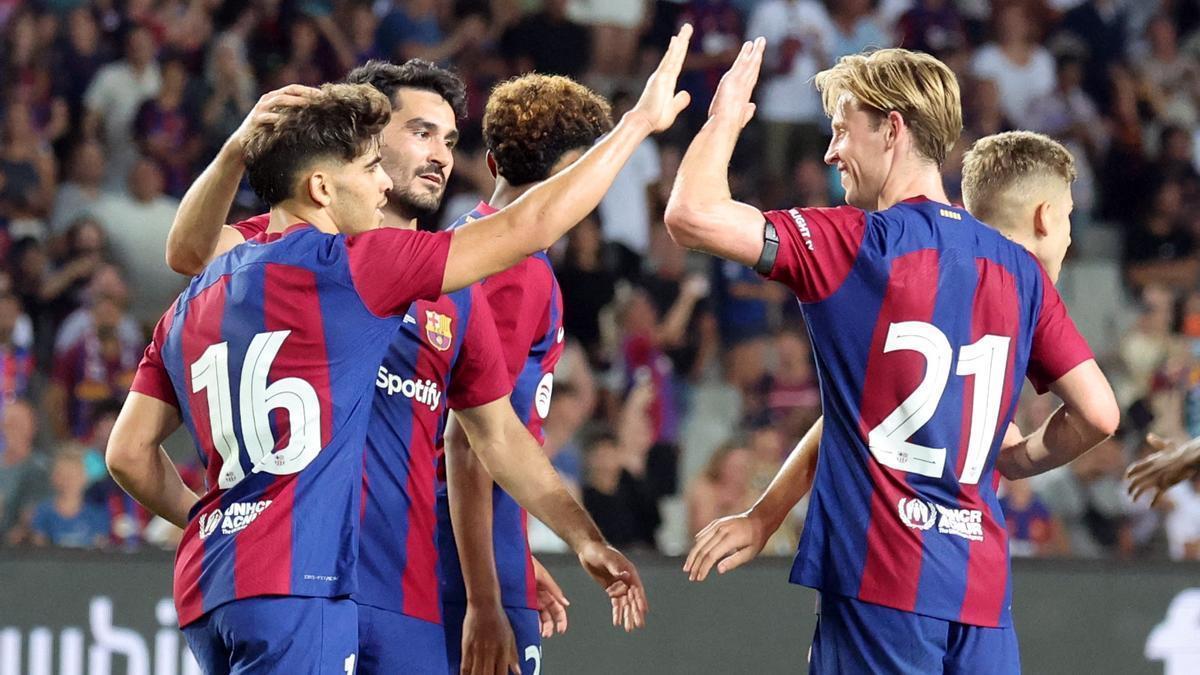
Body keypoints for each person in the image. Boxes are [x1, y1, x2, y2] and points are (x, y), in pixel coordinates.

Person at [113, 25, 695, 674]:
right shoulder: (310, 252)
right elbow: (532, 221)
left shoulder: (435, 286)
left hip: (379, 588)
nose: (442, 155)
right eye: (420, 132)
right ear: (360, 144)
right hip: (305, 580)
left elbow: (492, 435)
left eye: (450, 140)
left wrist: (575, 539)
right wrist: (638, 123)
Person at [666, 42, 1118, 673]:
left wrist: (726, 120)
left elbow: (690, 215)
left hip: (880, 578)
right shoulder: (1021, 270)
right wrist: (1014, 458)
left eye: (841, 130)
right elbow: (1098, 414)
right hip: (981, 592)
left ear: (893, 130)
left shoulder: (852, 244)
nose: (830, 152)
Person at [435, 74, 616, 675]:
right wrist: (487, 600)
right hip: (471, 566)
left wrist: (511, 562)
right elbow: (473, 442)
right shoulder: (519, 271)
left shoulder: (458, 246)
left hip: (464, 544)